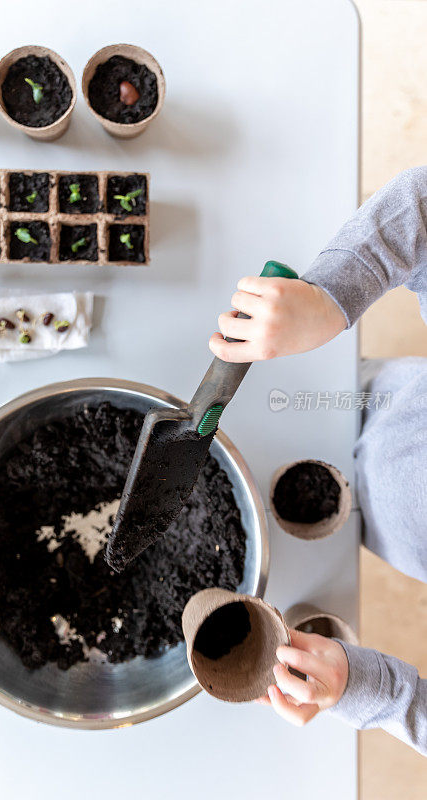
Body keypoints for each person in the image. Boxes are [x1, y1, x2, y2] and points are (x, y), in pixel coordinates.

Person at [209, 167, 427, 756]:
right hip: (349, 399)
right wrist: (330, 297)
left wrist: (368, 689)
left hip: (368, 531)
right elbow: (424, 207)